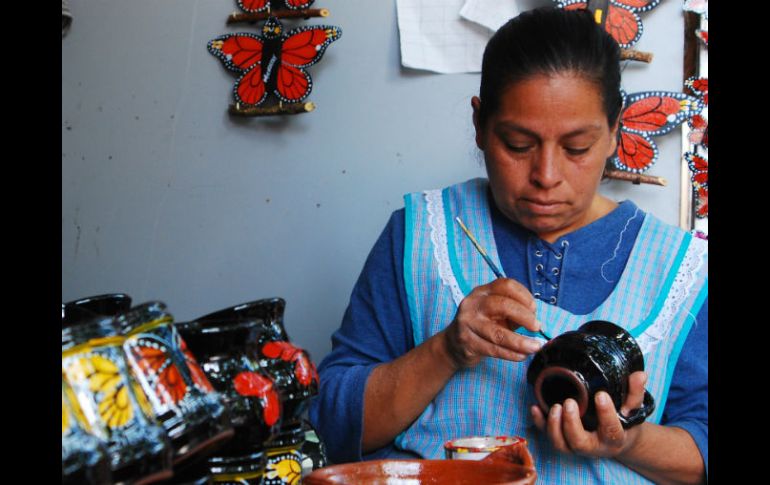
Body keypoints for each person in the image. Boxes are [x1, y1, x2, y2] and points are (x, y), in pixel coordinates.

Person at [309, 7, 707, 484]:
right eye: (518, 144)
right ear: (480, 125)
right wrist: (446, 351)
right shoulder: (421, 234)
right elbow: (331, 424)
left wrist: (630, 441)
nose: (546, 176)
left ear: (615, 133)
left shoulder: (682, 268)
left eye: (577, 147)